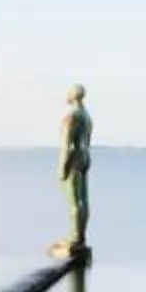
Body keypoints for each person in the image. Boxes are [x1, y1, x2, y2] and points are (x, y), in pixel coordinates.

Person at [57, 84, 93, 254]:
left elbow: (66, 145)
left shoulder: (71, 117)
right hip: (86, 157)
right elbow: (88, 140)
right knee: (83, 198)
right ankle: (81, 236)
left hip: (74, 158)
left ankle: (74, 237)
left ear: (72, 96)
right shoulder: (87, 117)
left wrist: (62, 168)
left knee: (74, 199)